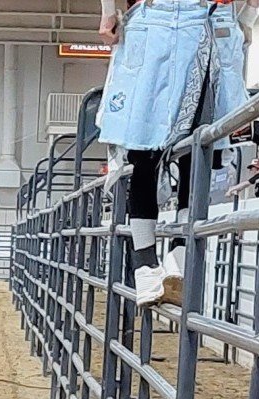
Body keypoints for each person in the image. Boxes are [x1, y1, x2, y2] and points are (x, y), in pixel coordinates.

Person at [97, 0, 258, 306]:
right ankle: (177, 258)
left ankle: (146, 264)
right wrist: (247, 17)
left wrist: (108, 13)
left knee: (145, 150)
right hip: (207, 20)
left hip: (161, 19)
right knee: (195, 151)